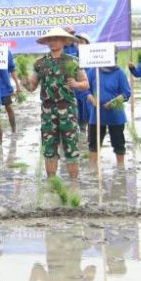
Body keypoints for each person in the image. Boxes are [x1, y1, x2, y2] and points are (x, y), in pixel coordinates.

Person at [22, 27, 89, 179]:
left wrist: (77, 85)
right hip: (48, 112)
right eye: (51, 39)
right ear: (46, 42)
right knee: (49, 148)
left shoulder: (73, 62)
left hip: (68, 111)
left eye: (57, 39)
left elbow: (86, 83)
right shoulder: (40, 63)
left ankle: (73, 184)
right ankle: (52, 182)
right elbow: (32, 87)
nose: (54, 42)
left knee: (71, 147)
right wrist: (25, 82)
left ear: (64, 41)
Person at [84, 53, 131, 167]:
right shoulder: (93, 71)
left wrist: (114, 102)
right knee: (94, 143)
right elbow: (85, 89)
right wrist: (91, 98)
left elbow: (126, 93)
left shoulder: (119, 73)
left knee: (118, 142)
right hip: (97, 115)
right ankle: (93, 168)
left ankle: (121, 167)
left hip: (115, 115)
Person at [0, 29, 21, 134]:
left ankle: (13, 129)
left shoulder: (6, 51)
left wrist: (17, 85)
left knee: (8, 107)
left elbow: (12, 69)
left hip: (4, 86)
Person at [74, 33, 91, 134]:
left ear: (87, 43)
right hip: (77, 89)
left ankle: (90, 134)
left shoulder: (94, 56)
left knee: (89, 112)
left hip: (89, 90)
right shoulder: (74, 58)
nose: (79, 44)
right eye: (78, 42)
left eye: (82, 42)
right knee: (79, 113)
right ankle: (82, 133)